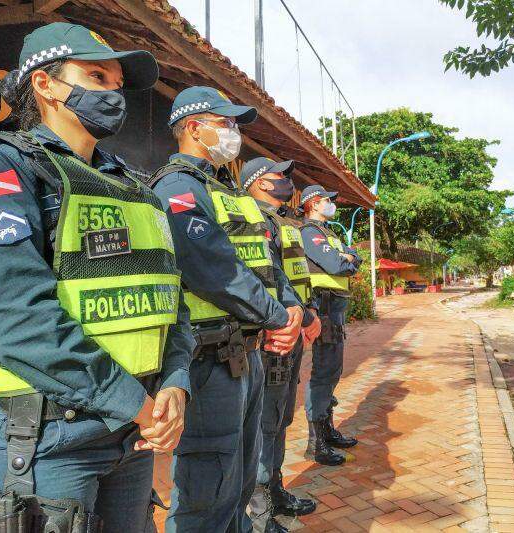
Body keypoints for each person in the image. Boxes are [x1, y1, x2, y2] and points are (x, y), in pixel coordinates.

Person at [0, 22, 193, 531]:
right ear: (44, 85)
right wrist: (134, 400)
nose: (113, 94)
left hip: (133, 435)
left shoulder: (136, 188)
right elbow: (11, 318)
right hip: (50, 444)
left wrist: (176, 382)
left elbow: (170, 295)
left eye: (117, 85)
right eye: (96, 76)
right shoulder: (3, 168)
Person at [148, 87, 303, 533]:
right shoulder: (177, 188)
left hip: (245, 355)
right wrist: (278, 317)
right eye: (227, 123)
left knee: (237, 480)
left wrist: (289, 311)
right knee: (206, 492)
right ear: (195, 128)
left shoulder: (226, 193)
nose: (234, 134)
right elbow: (214, 270)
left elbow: (265, 264)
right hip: (207, 358)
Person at [243, 157, 321, 532]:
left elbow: (288, 277)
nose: (287, 182)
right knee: (265, 424)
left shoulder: (281, 223)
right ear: (258, 182)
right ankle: (260, 512)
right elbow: (259, 279)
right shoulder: (251, 219)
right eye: (280, 176)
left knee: (280, 418)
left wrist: (305, 313)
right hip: (270, 336)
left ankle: (275, 490)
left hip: (290, 328)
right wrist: (291, 315)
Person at [300, 185, 361, 466]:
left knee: (334, 369)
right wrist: (347, 260)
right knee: (324, 371)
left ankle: (327, 429)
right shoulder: (310, 232)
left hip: (335, 306)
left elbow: (353, 258)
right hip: (323, 305)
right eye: (327, 200)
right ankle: (317, 443)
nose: (331, 204)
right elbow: (337, 265)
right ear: (313, 203)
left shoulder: (330, 233)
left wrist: (349, 259)